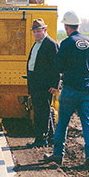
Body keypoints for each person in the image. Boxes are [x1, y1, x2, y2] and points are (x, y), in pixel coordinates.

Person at [43, 11, 89, 169]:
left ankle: (58, 155)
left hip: (70, 89)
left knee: (62, 123)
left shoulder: (67, 43)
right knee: (87, 123)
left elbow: (58, 66)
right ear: (78, 25)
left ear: (66, 26)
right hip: (87, 89)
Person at [26, 18, 60, 148]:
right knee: (42, 109)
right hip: (35, 82)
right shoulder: (37, 44)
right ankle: (51, 137)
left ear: (45, 30)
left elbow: (56, 66)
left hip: (44, 84)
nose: (36, 34)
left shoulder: (51, 44)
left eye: (38, 31)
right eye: (34, 32)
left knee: (42, 112)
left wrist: (55, 84)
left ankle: (41, 139)